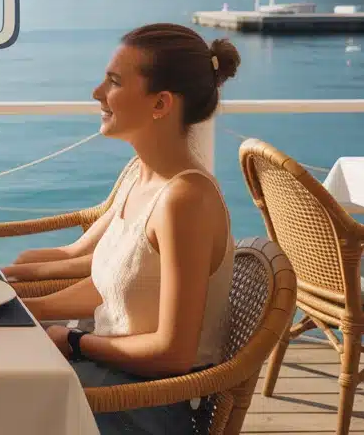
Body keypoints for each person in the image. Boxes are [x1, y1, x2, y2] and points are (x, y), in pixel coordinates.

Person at [22, 23, 239, 435]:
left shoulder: (185, 200)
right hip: (109, 375)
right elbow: (119, 286)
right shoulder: (143, 175)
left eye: (114, 82)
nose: (97, 92)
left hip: (144, 406)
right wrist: (30, 308)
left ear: (160, 103)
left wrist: (72, 341)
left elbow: (173, 353)